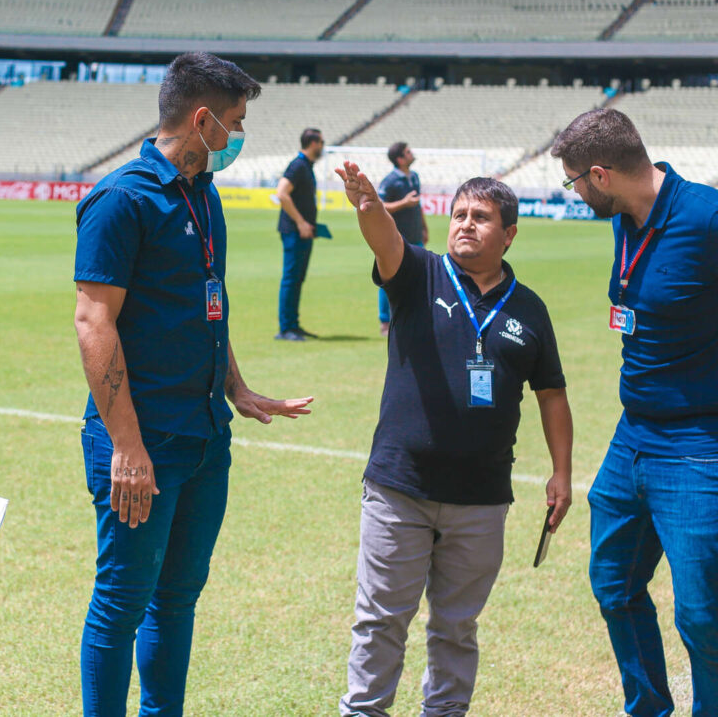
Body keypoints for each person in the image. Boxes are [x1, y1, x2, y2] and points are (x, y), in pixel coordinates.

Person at [73, 51, 313, 717]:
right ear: (203, 119)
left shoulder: (203, 193)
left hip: (206, 438)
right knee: (122, 601)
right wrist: (126, 446)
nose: (238, 137)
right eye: (235, 123)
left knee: (177, 598)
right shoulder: (122, 199)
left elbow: (205, 303)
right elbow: (94, 321)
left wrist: (237, 387)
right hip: (143, 442)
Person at [335, 163, 573, 717]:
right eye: (459, 214)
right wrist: (370, 206)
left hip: (482, 499)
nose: (466, 224)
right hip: (400, 489)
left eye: (482, 217)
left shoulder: (529, 309)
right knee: (380, 622)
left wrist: (561, 472)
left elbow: (552, 393)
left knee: (456, 628)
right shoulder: (419, 273)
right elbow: (386, 240)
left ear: (510, 234)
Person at [552, 109, 718, 717]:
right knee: (615, 586)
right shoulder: (623, 216)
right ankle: (648, 707)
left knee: (704, 616)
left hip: (700, 443)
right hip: (632, 438)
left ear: (602, 174)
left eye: (575, 182)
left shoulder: (707, 217)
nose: (574, 194)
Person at [274, 127, 324, 341]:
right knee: (291, 278)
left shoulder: (306, 166)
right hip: (295, 231)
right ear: (312, 143)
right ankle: (286, 328)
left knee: (297, 279)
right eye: (321, 142)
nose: (323, 146)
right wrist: (301, 222)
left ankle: (293, 325)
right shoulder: (298, 165)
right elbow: (281, 193)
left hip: (303, 232)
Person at [377, 142, 429, 336]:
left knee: (419, 277)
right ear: (400, 158)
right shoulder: (390, 181)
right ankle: (385, 321)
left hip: (416, 236)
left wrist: (424, 226)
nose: (411, 153)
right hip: (397, 238)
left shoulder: (414, 177)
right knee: (389, 278)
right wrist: (403, 203)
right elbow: (379, 206)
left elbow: (418, 205)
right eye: (408, 152)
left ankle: (413, 317)